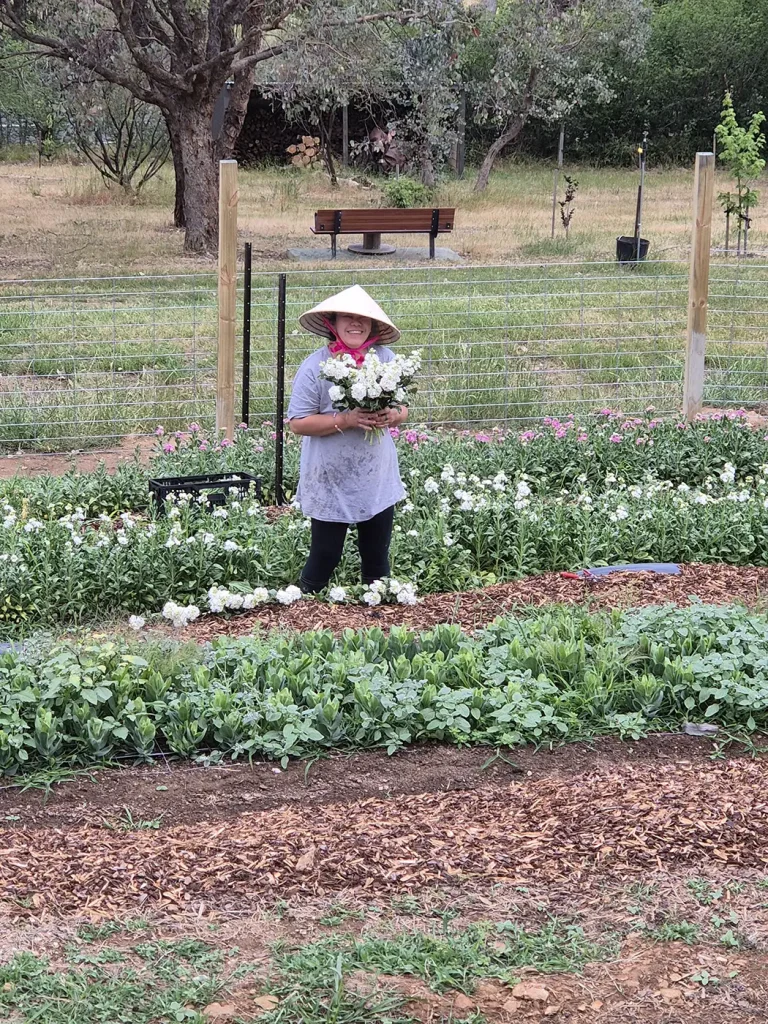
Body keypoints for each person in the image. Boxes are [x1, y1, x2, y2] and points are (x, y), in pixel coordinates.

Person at [287, 285, 409, 593]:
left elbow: (402, 408)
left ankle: (379, 622)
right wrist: (346, 419)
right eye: (348, 317)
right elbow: (298, 423)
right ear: (333, 323)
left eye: (363, 318)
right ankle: (304, 615)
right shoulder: (316, 366)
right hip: (330, 475)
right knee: (326, 555)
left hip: (375, 474)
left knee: (377, 557)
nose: (355, 323)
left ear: (373, 326)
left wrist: (392, 416)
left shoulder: (384, 358)